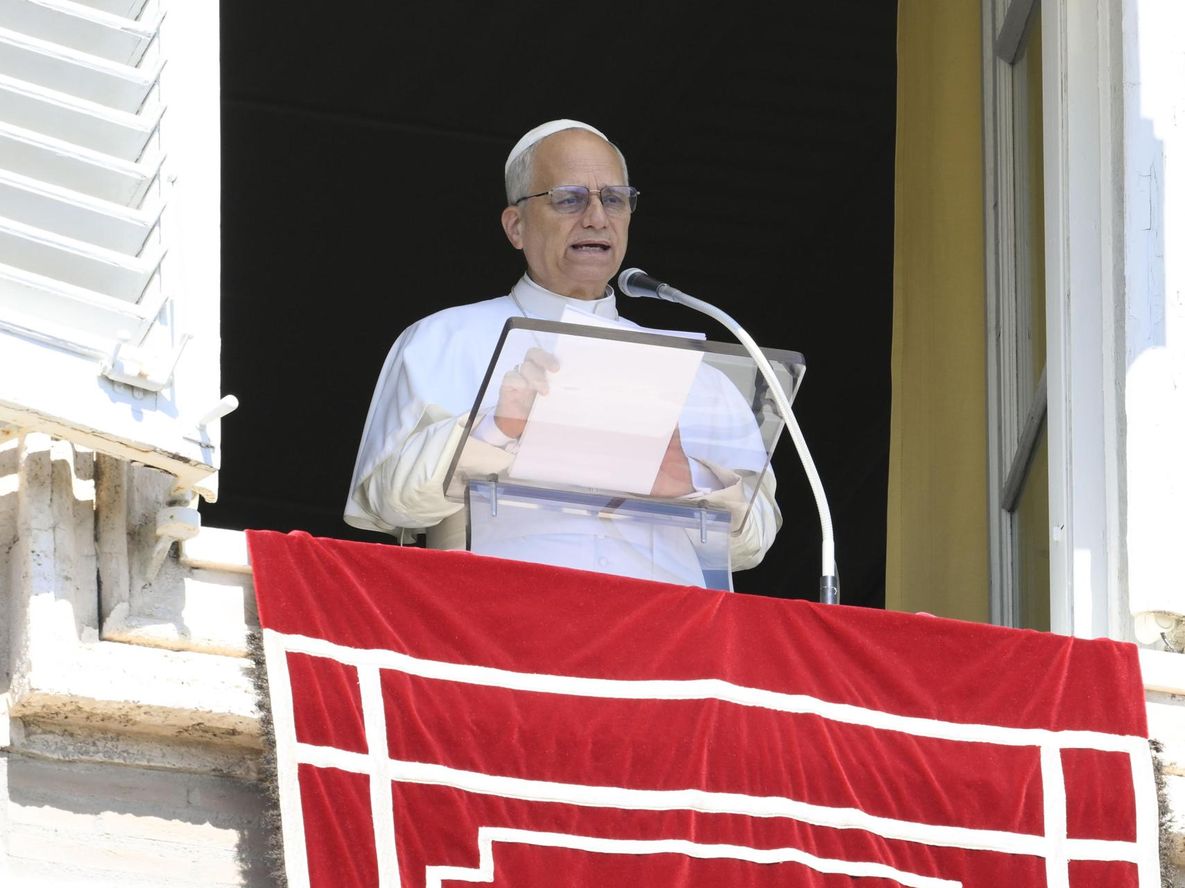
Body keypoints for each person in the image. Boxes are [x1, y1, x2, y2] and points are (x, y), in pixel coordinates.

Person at [344, 119, 781, 586]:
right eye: (569, 199)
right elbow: (388, 503)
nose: (596, 217)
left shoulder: (701, 376)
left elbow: (752, 545)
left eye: (613, 199)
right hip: (499, 625)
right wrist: (497, 430)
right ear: (516, 226)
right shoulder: (443, 338)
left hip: (666, 641)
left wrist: (690, 484)